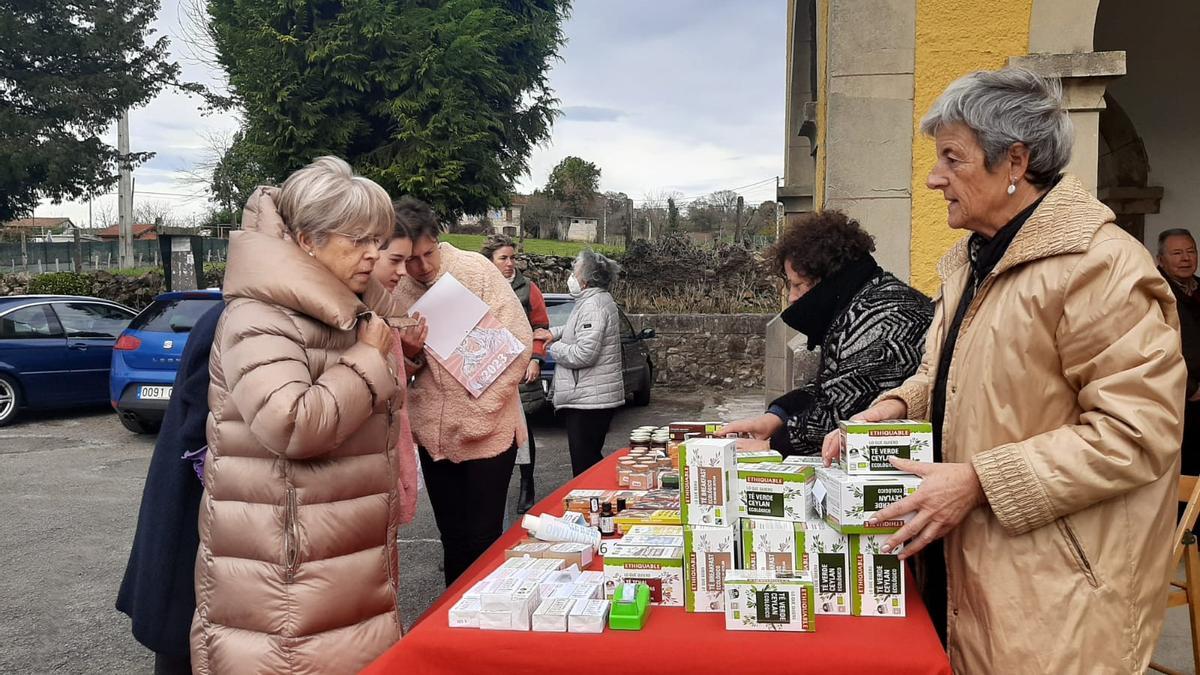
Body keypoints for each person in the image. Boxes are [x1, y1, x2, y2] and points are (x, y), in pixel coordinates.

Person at [822, 67, 1184, 672]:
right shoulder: (973, 260)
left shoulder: (1098, 267)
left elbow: (1137, 433)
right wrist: (897, 406)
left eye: (952, 159)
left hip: (1055, 592)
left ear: (1014, 161)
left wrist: (981, 482)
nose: (935, 178)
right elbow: (955, 376)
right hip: (969, 567)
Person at [191, 157, 406, 674]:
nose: (373, 255)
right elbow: (291, 423)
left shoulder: (345, 313)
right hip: (285, 579)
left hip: (335, 561)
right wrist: (369, 360)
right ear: (307, 241)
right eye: (357, 240)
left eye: (377, 239)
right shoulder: (260, 316)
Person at [391, 197, 532, 586]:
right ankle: (454, 624)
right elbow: (394, 370)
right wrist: (411, 356)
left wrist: (483, 411)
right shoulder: (394, 288)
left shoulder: (475, 270)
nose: (422, 267)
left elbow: (519, 343)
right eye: (410, 260)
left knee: (484, 540)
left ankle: (488, 626)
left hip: (489, 432)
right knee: (452, 541)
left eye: (428, 253)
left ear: (438, 240)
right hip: (435, 439)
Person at [719, 211, 933, 455]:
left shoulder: (886, 319)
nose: (792, 298)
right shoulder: (864, 302)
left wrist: (772, 446)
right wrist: (776, 416)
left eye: (798, 285)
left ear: (830, 280)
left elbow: (842, 411)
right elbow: (833, 385)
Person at [116, 301, 223, 675]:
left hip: (186, 500)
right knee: (182, 632)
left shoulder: (224, 314)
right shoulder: (233, 319)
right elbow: (198, 420)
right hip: (195, 505)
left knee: (180, 629)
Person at [532, 250, 624, 476]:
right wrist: (553, 334)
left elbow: (584, 354)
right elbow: (576, 329)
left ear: (586, 279)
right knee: (590, 461)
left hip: (588, 402)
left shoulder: (593, 305)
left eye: (575, 272)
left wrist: (552, 347)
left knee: (586, 467)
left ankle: (595, 505)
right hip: (589, 398)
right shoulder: (592, 301)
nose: (571, 277)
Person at [481, 233, 549, 513]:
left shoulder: (528, 289)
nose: (510, 264)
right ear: (490, 261)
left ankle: (527, 485)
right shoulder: (478, 285)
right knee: (493, 430)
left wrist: (535, 359)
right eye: (503, 258)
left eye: (513, 257)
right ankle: (494, 485)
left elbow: (541, 329)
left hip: (520, 370)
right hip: (489, 371)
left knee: (523, 430)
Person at [370, 214, 428, 528]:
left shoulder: (384, 308)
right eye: (395, 260)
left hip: (387, 467)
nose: (403, 272)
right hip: (369, 481)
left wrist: (407, 354)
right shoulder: (359, 314)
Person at [1158, 228, 1200, 477]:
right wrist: (1191, 388)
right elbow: (1156, 349)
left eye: (1191, 251)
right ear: (1160, 260)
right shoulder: (1155, 293)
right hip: (1180, 398)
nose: (1185, 258)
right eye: (1177, 253)